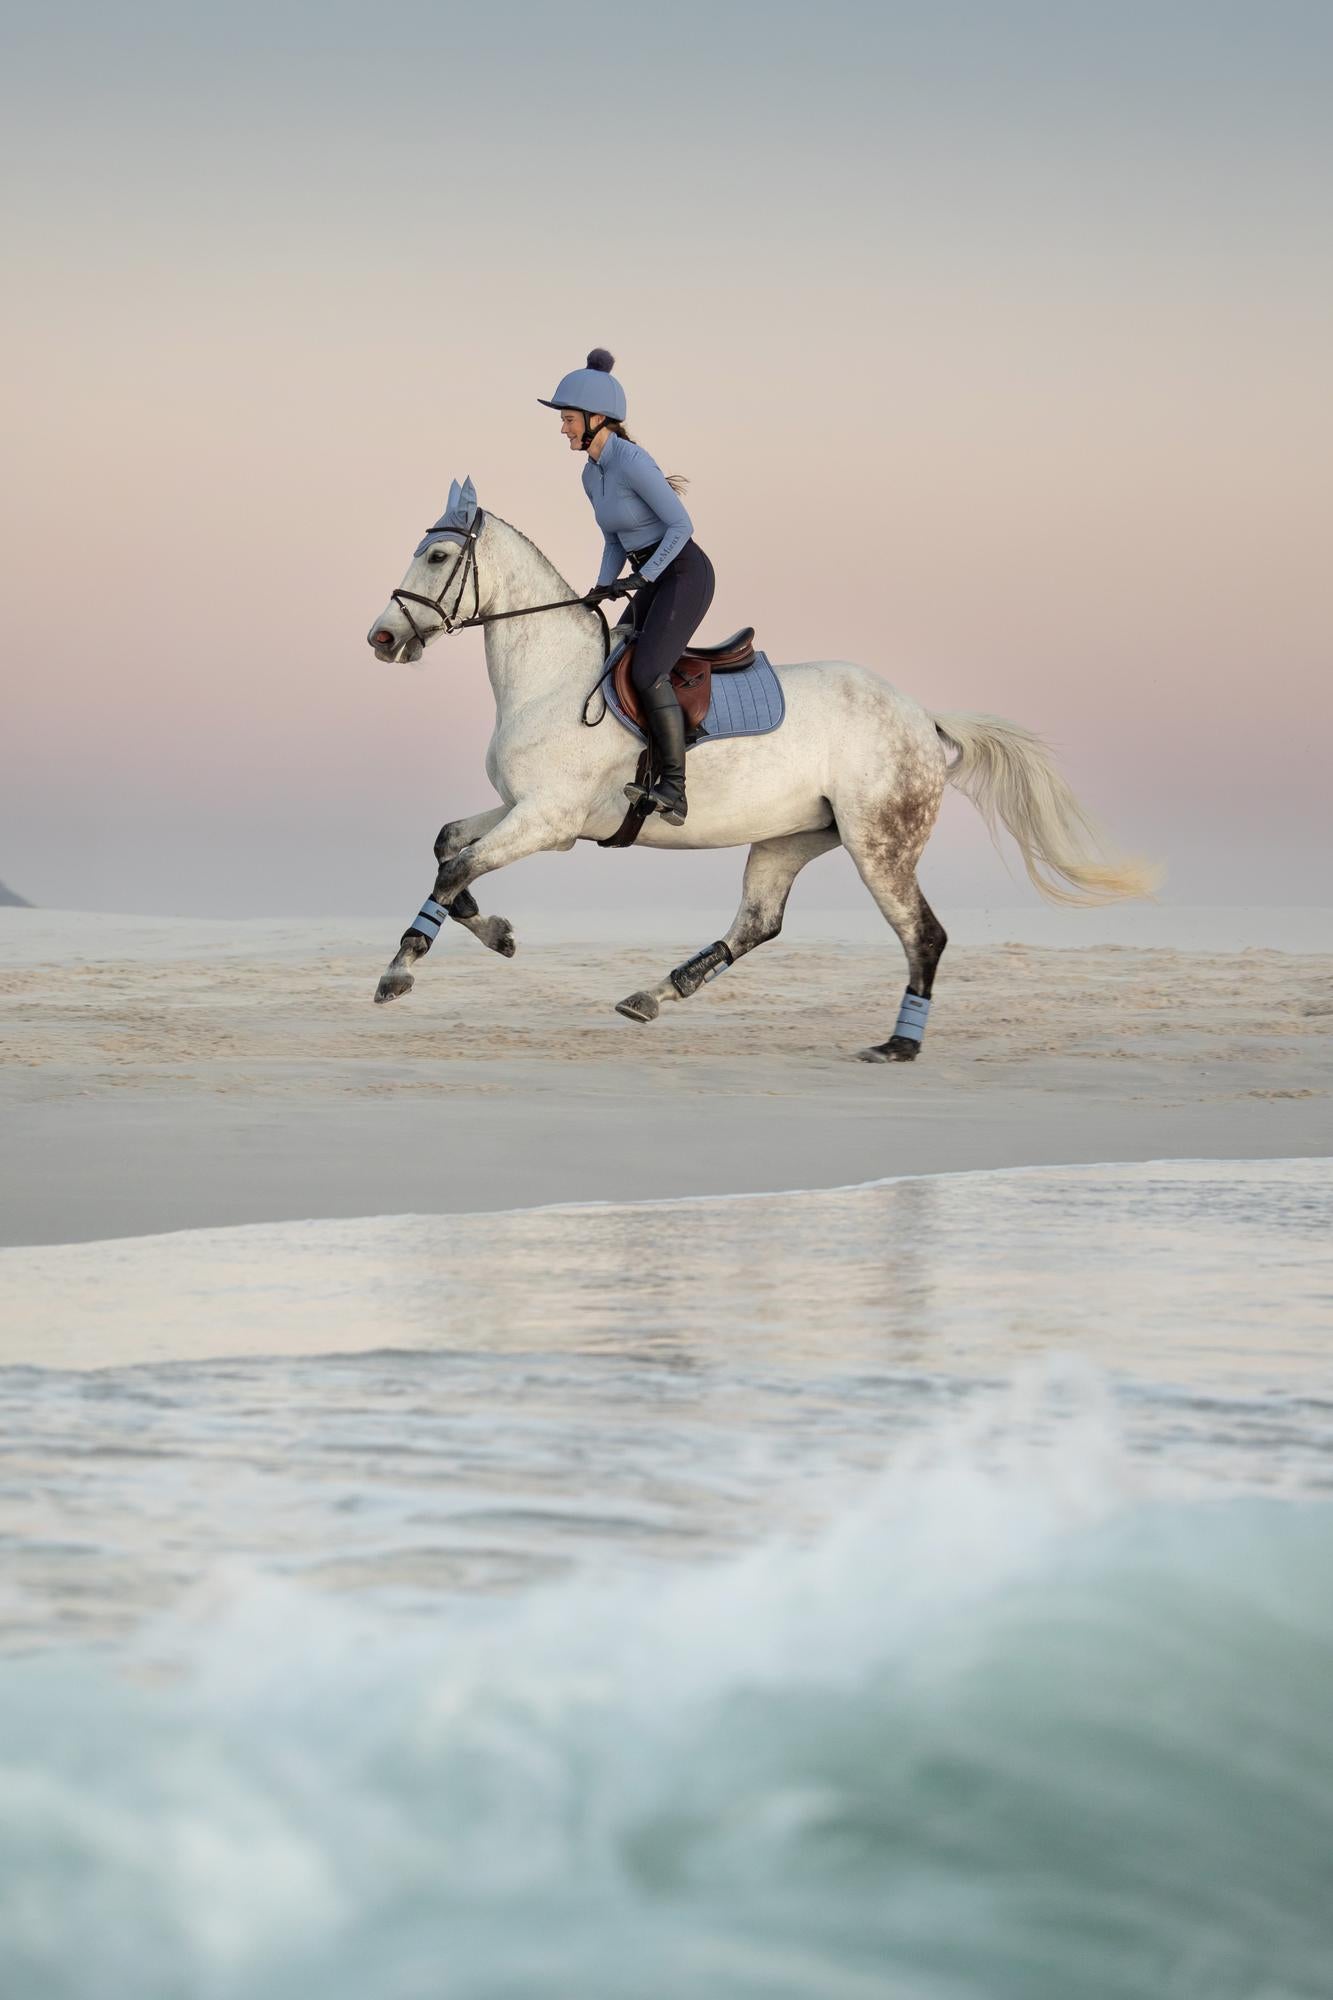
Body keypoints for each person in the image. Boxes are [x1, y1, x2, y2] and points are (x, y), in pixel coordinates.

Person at [538, 349, 714, 825]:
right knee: (614, 656)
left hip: (682, 573)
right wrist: (600, 587)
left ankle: (674, 788)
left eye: (569, 419)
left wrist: (644, 577)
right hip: (650, 575)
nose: (563, 428)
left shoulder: (633, 462)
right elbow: (613, 539)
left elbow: (681, 526)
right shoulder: (590, 474)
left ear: (598, 418)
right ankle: (658, 744)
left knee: (646, 670)